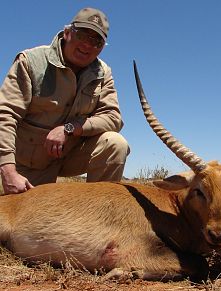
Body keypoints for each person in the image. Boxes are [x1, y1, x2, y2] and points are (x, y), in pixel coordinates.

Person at [0, 7, 130, 195]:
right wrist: (8, 170)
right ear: (68, 33)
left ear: (102, 47)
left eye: (96, 41)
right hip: (30, 163)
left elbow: (113, 117)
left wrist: (70, 128)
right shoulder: (31, 61)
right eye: (83, 36)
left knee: (116, 144)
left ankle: (97, 218)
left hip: (70, 155)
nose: (87, 45)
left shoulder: (102, 72)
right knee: (26, 219)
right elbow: (5, 115)